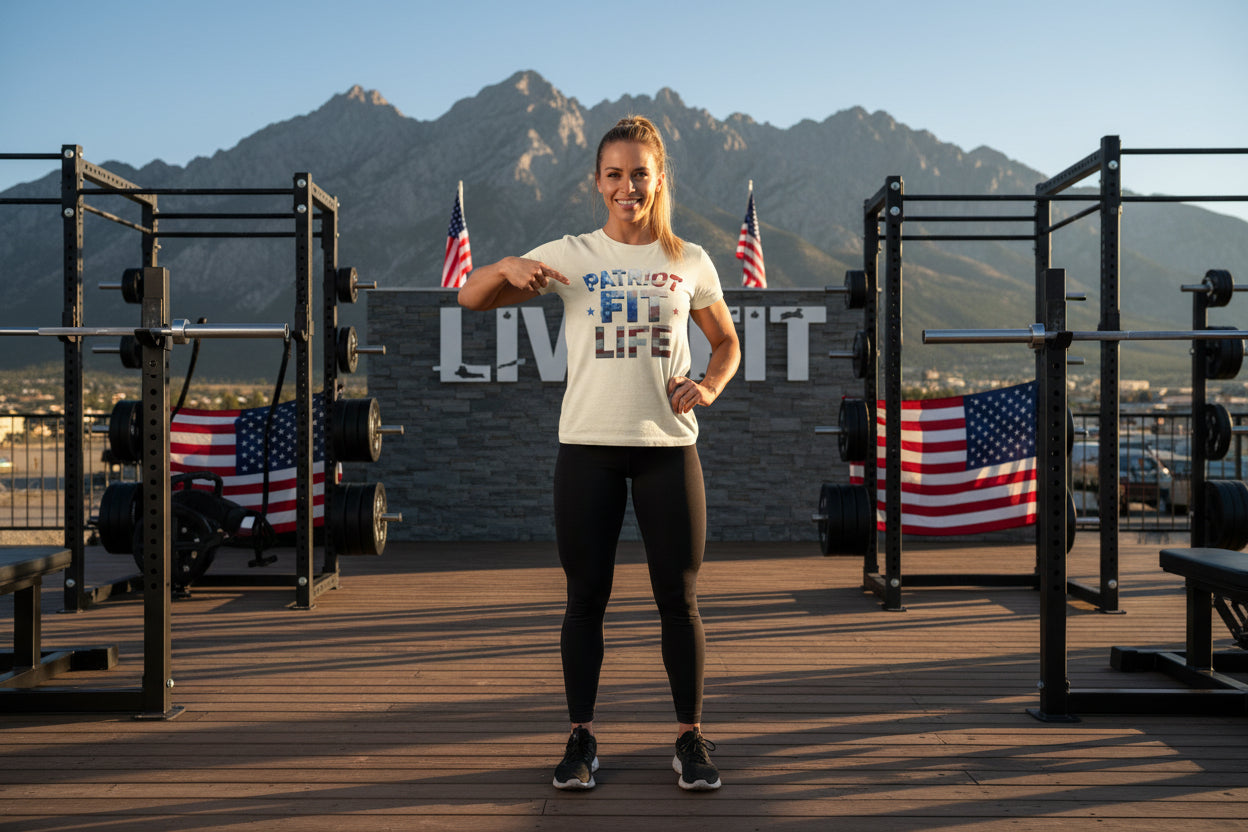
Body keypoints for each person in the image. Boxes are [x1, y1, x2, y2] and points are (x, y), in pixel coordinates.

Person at [458, 115, 741, 791]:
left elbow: (728, 344)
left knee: (681, 601)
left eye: (639, 173)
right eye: (614, 174)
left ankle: (689, 739)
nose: (627, 186)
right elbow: (470, 297)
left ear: (658, 178)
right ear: (598, 181)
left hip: (668, 452)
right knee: (585, 600)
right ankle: (581, 739)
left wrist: (706, 386)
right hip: (586, 452)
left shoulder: (689, 261)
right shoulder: (573, 253)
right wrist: (503, 266)